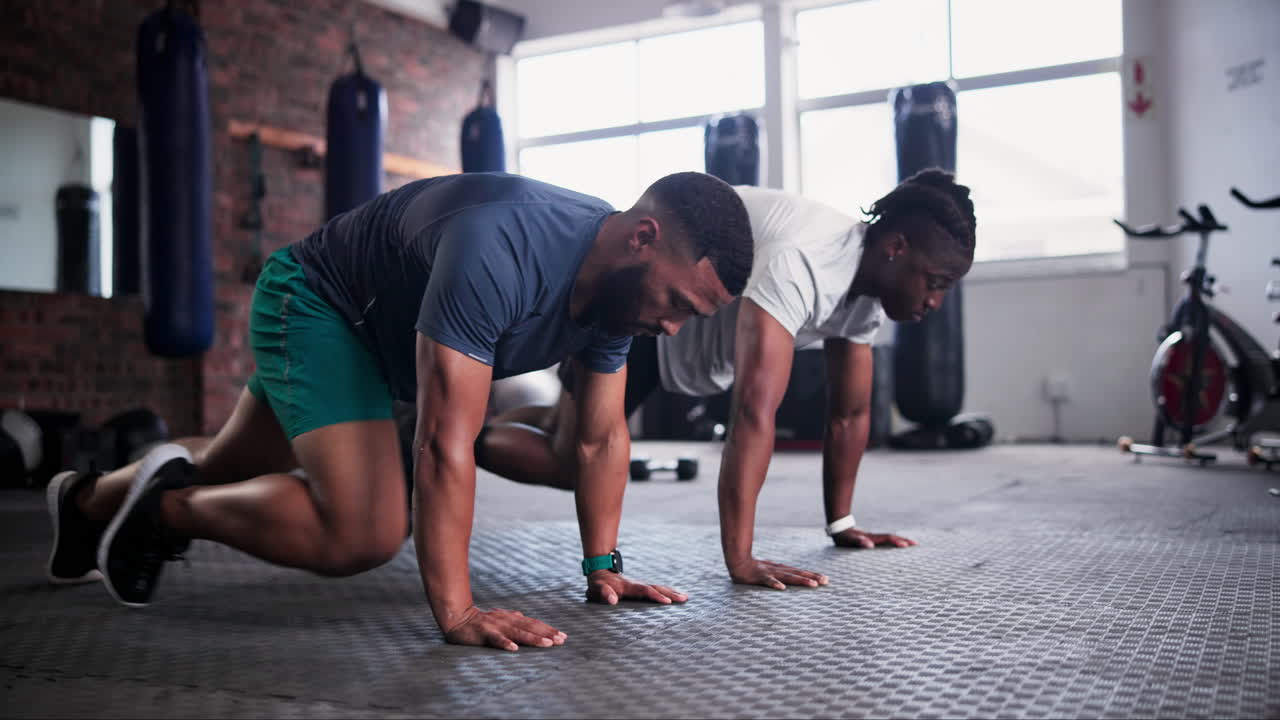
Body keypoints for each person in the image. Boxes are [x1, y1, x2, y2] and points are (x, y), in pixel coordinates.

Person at [44, 171, 754, 651]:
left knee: (228, 466)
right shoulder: (505, 246)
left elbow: (598, 441)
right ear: (642, 240)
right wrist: (458, 610)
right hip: (320, 307)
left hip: (383, 346)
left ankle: (83, 502)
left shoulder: (618, 301)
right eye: (677, 306)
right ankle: (160, 511)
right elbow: (446, 442)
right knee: (368, 529)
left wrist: (603, 564)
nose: (673, 330)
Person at [475, 169, 976, 590]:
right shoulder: (804, 261)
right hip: (648, 304)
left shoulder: (865, 293)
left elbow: (850, 414)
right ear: (896, 247)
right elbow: (754, 411)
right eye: (934, 283)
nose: (934, 302)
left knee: (569, 429)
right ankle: (448, 441)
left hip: (679, 341)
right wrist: (741, 559)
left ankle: (473, 424)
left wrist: (842, 524)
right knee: (574, 461)